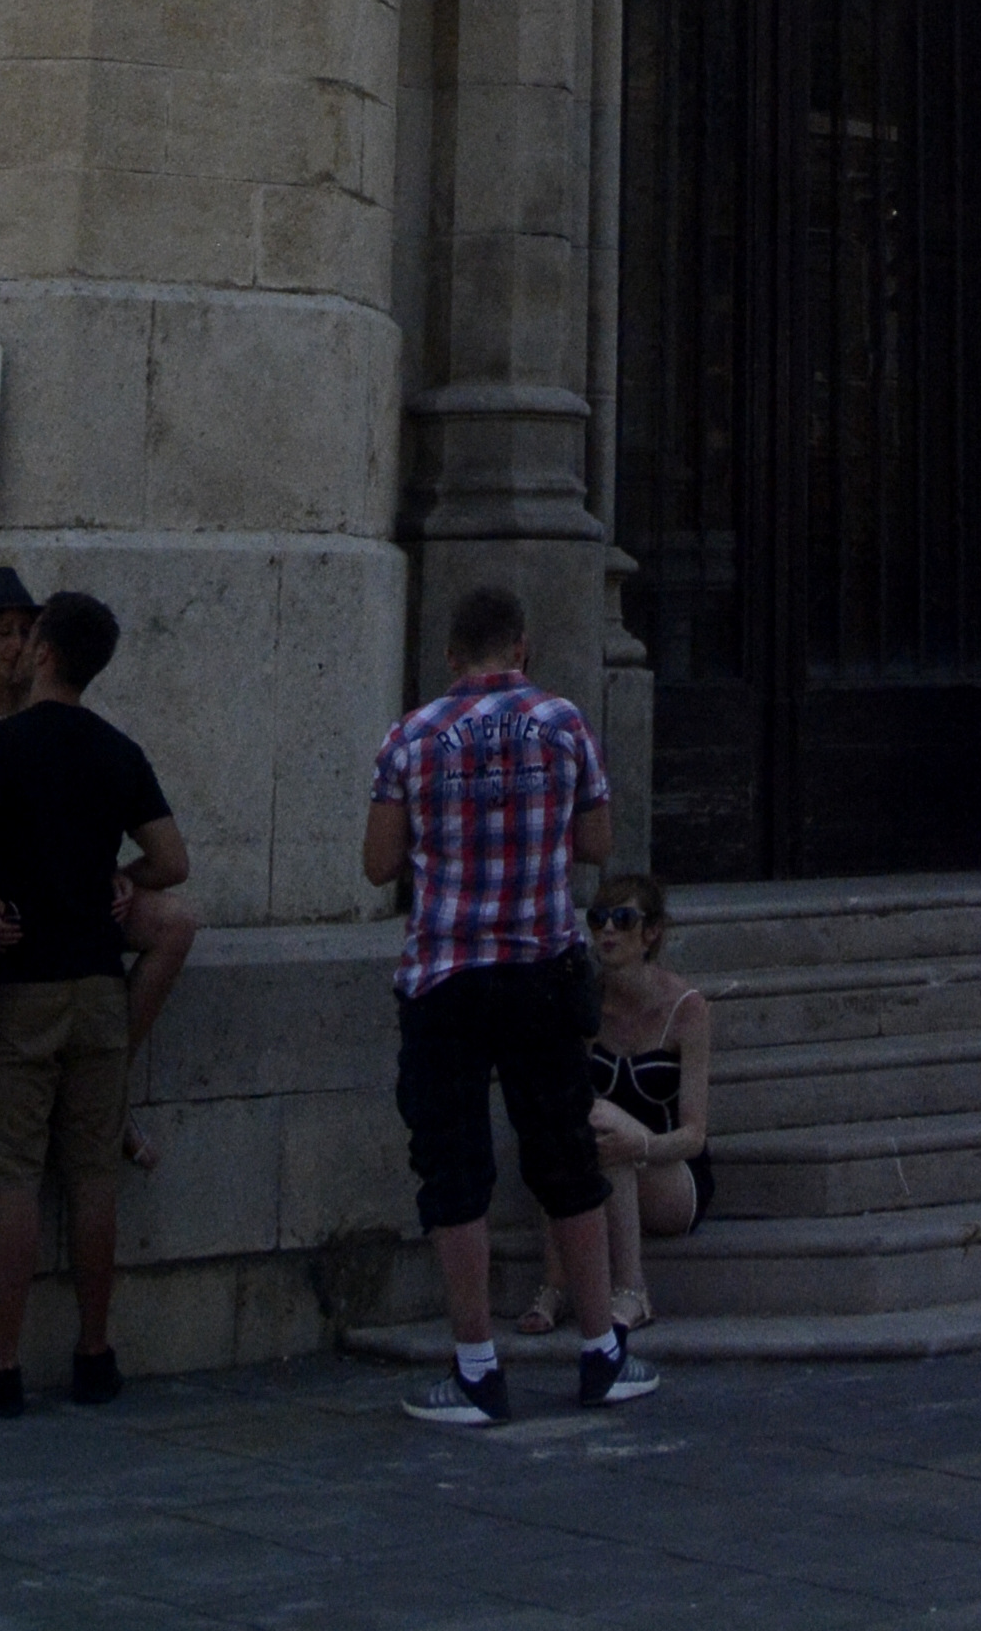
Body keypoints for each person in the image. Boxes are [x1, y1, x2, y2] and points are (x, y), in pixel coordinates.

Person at [364, 581, 653, 1427]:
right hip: (539, 966)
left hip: (447, 975)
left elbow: (380, 864)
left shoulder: (412, 735)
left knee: (453, 1168)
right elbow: (597, 844)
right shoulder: (562, 722)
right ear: (522, 647)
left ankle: (476, 1368)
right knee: (563, 1154)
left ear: (452, 655)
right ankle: (602, 1352)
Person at [0, 590, 186, 1421]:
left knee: (18, 1179)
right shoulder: (117, 749)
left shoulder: (3, 744)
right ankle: (95, 1354)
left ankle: (0, 1367)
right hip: (101, 983)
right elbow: (171, 861)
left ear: (42, 653)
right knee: (95, 1173)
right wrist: (122, 880)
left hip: (27, 984)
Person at [555, 875, 708, 1338]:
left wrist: (640, 1143)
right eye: (598, 919)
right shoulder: (589, 1003)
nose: (607, 932)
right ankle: (553, 1283)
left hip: (673, 1171)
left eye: (623, 920)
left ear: (651, 933)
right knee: (579, 1131)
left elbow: (694, 1136)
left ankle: (633, 1289)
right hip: (607, 1158)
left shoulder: (686, 1009)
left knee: (608, 1132)